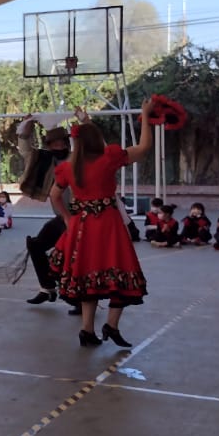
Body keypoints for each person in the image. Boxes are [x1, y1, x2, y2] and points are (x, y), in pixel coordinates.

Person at [49, 100, 154, 348]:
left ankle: (87, 330)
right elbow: (144, 148)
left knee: (88, 278)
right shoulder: (109, 158)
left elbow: (54, 196)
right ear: (97, 140)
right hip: (108, 226)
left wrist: (67, 218)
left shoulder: (68, 168)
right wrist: (146, 116)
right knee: (121, 273)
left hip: (81, 228)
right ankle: (111, 326)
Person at [21, 124, 73, 307]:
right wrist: (26, 130)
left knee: (71, 257)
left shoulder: (75, 159)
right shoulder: (45, 160)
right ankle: (47, 288)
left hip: (79, 217)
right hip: (61, 218)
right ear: (49, 146)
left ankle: (81, 300)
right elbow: (26, 152)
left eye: (61, 144)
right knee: (36, 245)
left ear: (67, 143)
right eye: (54, 144)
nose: (58, 147)